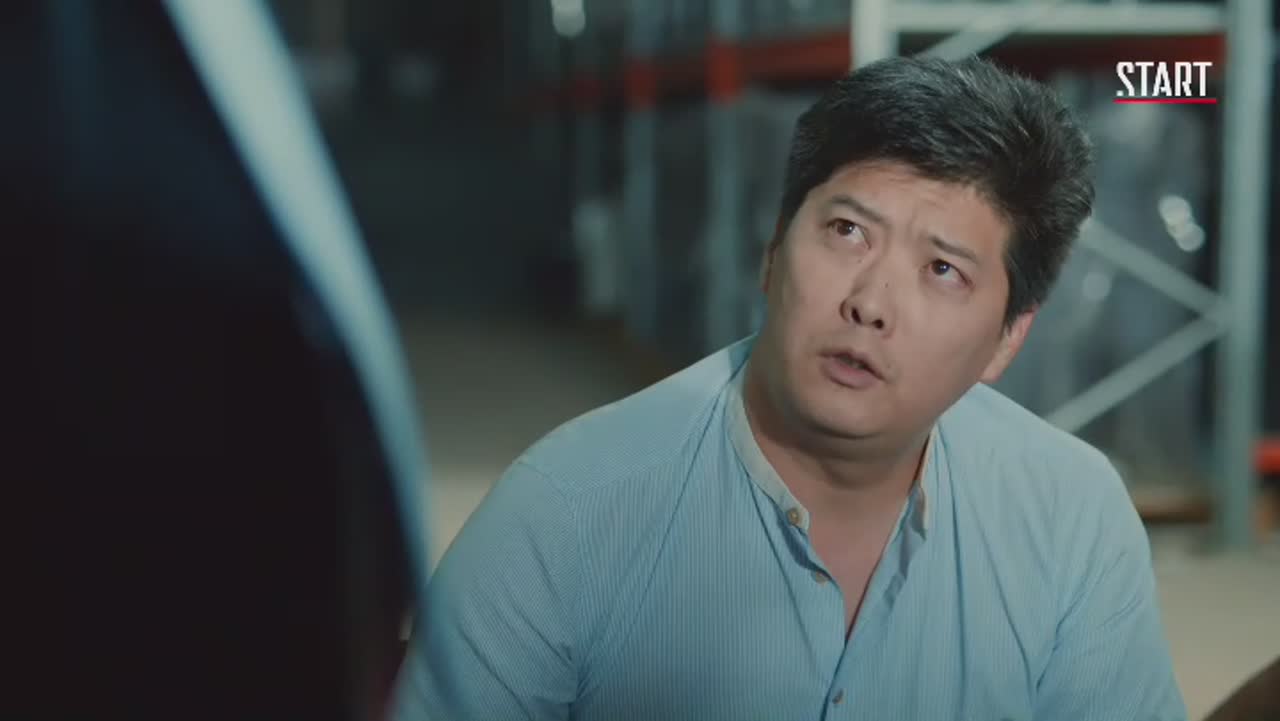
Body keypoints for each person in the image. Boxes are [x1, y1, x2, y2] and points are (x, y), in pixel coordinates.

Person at [391, 55, 1187, 721]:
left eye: (942, 269)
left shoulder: (1070, 518)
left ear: (1008, 337)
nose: (870, 304)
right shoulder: (564, 513)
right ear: (773, 253)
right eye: (847, 231)